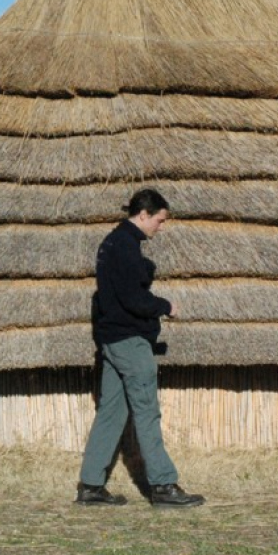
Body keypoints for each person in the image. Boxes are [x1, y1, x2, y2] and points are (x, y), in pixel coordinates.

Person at [75, 188, 204, 508]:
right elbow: (134, 299)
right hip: (130, 343)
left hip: (111, 342)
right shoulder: (126, 248)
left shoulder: (110, 243)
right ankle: (163, 485)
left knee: (111, 413)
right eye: (159, 220)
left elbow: (110, 297)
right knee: (147, 412)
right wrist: (165, 306)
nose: (161, 227)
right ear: (144, 214)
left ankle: (90, 486)